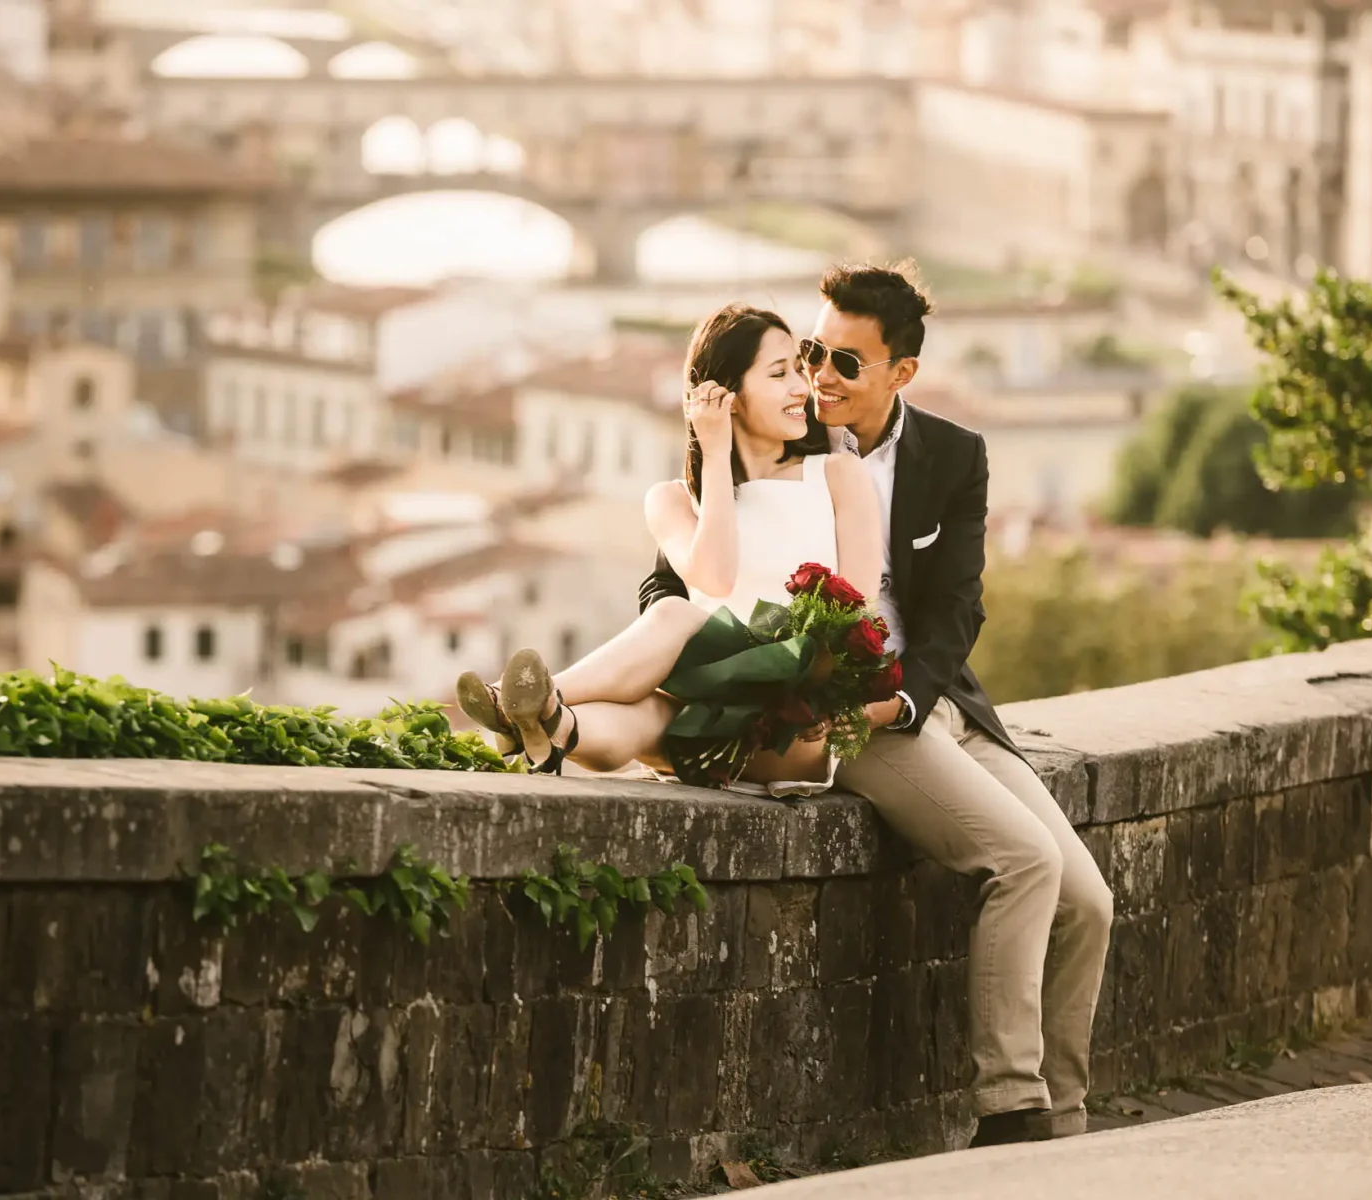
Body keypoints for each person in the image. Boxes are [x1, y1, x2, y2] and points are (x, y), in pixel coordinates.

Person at [640, 262, 1114, 1148]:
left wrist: (915, 703)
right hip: (842, 710)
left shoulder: (952, 457)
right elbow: (680, 582)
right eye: (812, 353)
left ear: (902, 373)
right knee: (1023, 864)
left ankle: (1070, 1118)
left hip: (938, 706)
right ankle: (1013, 1110)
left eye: (846, 363)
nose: (819, 377)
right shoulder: (783, 442)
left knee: (1090, 901)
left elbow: (954, 612)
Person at [454, 302, 886, 789]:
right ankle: (548, 723)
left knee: (675, 615)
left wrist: (824, 693)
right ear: (727, 396)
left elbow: (861, 612)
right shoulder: (673, 502)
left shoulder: (836, 476)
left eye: (796, 371)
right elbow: (715, 575)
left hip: (789, 724)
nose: (800, 387)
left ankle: (513, 705)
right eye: (778, 373)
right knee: (645, 714)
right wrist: (717, 456)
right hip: (699, 722)